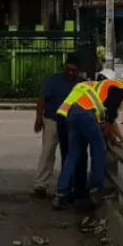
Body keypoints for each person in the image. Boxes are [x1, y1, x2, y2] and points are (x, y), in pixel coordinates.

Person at [52, 67, 123, 210]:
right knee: (99, 149)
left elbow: (106, 118)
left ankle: (61, 194)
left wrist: (112, 135)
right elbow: (110, 119)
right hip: (85, 115)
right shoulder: (119, 89)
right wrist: (113, 139)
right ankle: (95, 189)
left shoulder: (108, 85)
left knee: (73, 155)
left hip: (74, 113)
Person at [32, 55, 87, 199]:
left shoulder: (82, 84)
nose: (70, 73)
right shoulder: (54, 80)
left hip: (71, 123)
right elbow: (42, 97)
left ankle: (67, 185)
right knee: (47, 152)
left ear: (78, 71)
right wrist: (38, 117)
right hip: (52, 120)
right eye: (68, 69)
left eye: (73, 71)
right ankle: (41, 185)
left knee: (68, 155)